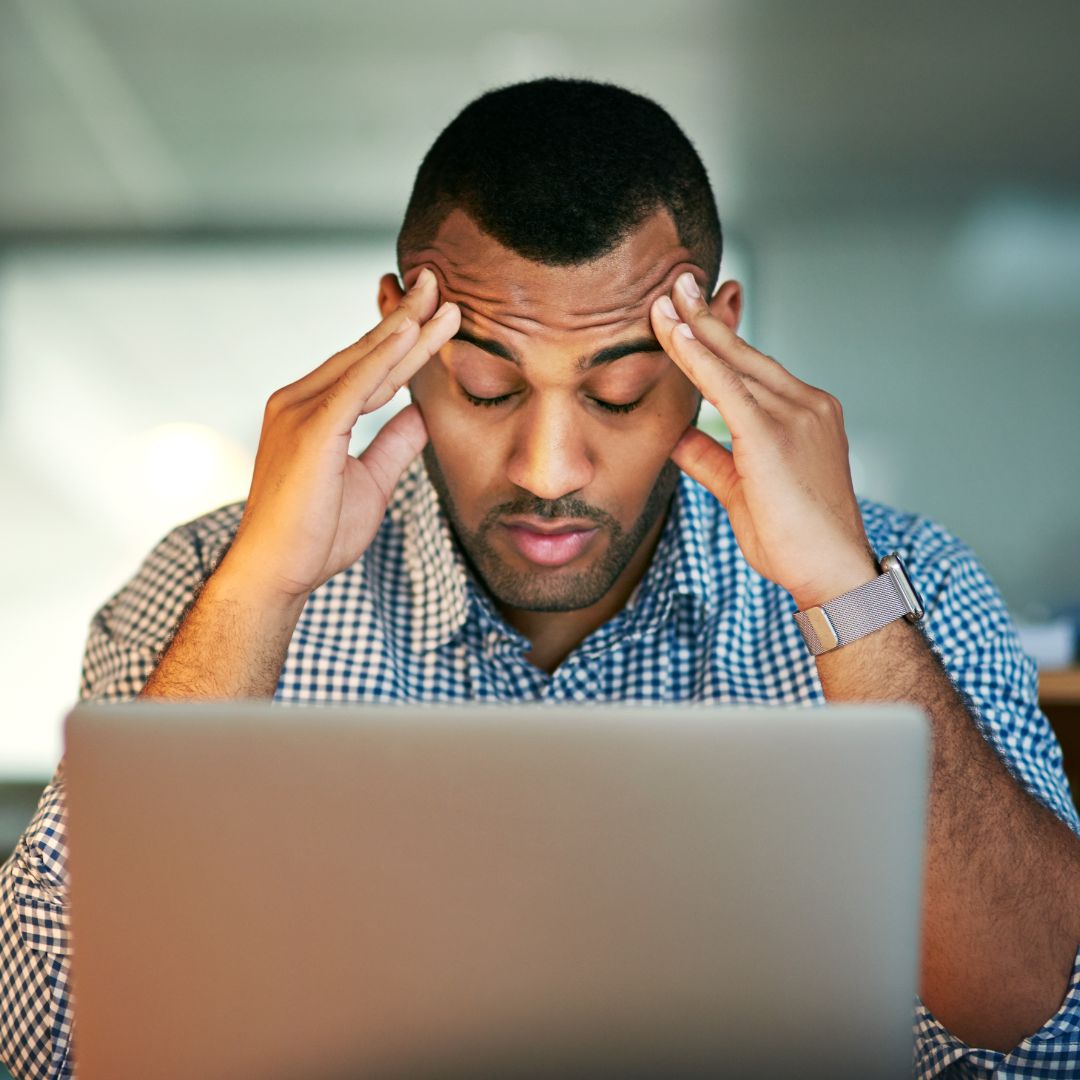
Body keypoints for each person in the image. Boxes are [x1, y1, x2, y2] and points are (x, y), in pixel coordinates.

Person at [1, 76, 1078, 1080]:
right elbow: (56, 1044)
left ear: (717, 341)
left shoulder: (907, 581)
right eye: (482, 386)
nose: (549, 470)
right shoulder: (204, 580)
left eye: (619, 394)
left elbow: (1040, 1028)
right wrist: (256, 597)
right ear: (397, 333)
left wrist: (842, 592)